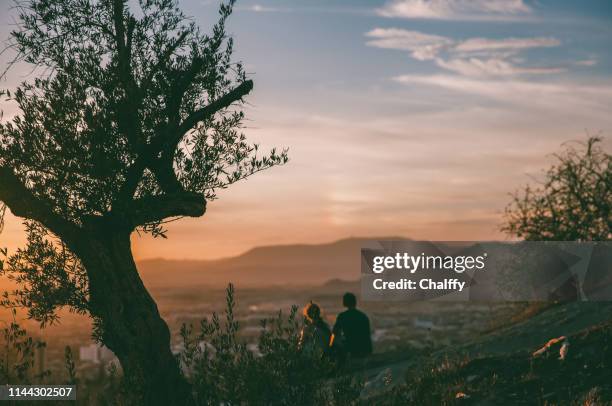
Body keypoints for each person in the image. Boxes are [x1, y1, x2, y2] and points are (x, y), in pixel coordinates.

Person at [331, 293, 372, 359]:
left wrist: (330, 347)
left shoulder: (342, 316)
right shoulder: (363, 316)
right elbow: (367, 335)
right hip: (363, 349)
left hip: (349, 348)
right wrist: (369, 351)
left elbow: (334, 333)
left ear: (345, 302)